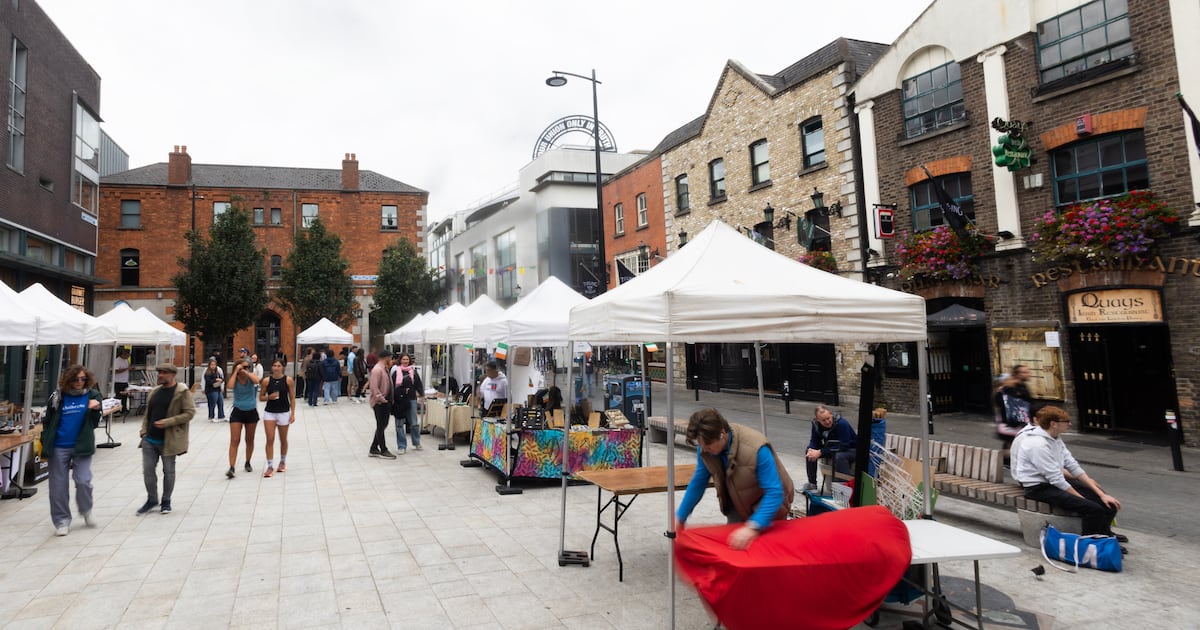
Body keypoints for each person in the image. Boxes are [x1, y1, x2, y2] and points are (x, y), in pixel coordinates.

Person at [675, 408, 794, 550]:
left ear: (722, 434)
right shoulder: (705, 449)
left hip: (769, 507)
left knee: (767, 554)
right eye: (701, 445)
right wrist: (680, 516)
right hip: (737, 504)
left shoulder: (756, 448)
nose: (704, 449)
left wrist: (754, 526)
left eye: (707, 445)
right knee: (735, 550)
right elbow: (698, 482)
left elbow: (775, 492)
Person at [1011, 405, 1125, 540]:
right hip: (1038, 488)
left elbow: (1073, 466)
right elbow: (1056, 479)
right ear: (1053, 424)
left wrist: (1100, 493)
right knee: (1093, 508)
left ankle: (1106, 536)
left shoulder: (1055, 438)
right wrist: (1082, 498)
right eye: (1066, 421)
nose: (1070, 424)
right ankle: (1091, 543)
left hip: (1053, 483)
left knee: (1108, 503)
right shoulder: (1036, 444)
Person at [43, 365, 103, 536]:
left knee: (83, 480)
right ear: (68, 379)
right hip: (59, 446)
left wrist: (96, 409)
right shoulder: (58, 397)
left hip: (81, 445)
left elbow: (95, 422)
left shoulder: (92, 395)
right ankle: (62, 520)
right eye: (76, 379)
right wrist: (45, 439)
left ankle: (86, 509)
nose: (79, 382)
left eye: (83, 379)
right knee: (57, 486)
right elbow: (47, 421)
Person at [138, 364, 196, 515]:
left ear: (172, 375)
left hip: (169, 439)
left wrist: (168, 422)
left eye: (163, 373)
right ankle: (152, 499)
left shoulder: (182, 392)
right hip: (150, 439)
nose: (160, 375)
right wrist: (143, 431)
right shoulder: (155, 392)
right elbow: (147, 414)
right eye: (159, 373)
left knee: (168, 471)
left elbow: (189, 413)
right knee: (148, 471)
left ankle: (166, 501)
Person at [802, 405, 858, 492]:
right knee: (809, 452)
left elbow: (843, 445)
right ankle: (812, 483)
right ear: (817, 420)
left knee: (839, 457)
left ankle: (845, 488)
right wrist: (811, 449)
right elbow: (814, 441)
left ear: (831, 414)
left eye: (828, 418)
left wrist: (821, 452)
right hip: (833, 446)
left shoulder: (842, 423)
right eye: (823, 420)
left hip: (851, 449)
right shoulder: (816, 425)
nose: (827, 421)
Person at [258, 359, 296, 477]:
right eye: (274, 365)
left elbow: (292, 398)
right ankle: (269, 465)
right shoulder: (266, 381)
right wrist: (270, 397)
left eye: (278, 366)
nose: (276, 368)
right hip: (270, 412)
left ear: (282, 367)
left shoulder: (288, 380)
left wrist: (293, 413)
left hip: (284, 412)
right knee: (270, 438)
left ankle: (283, 461)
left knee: (283, 439)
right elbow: (261, 397)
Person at [226, 358, 260, 479]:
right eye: (242, 367)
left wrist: (247, 373)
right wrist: (236, 372)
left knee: (249, 439)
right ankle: (232, 467)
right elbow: (229, 386)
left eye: (247, 367)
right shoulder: (234, 379)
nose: (244, 369)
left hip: (251, 410)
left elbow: (257, 381)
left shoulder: (251, 377)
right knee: (235, 440)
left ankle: (248, 461)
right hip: (238, 411)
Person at [995, 364, 1034, 460]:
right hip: (1011, 423)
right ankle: (1005, 460)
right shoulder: (1007, 389)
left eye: (1027, 372)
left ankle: (1008, 460)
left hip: (1019, 421)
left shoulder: (1022, 386)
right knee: (1012, 444)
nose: (1028, 374)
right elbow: (1006, 406)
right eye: (1024, 372)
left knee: (1014, 444)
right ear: (1017, 374)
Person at [390, 352, 426, 454]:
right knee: (399, 424)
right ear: (400, 360)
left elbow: (418, 384)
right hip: (399, 401)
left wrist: (422, 395)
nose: (405, 361)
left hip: (411, 399)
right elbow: (391, 387)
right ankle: (401, 446)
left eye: (407, 359)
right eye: (403, 359)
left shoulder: (413, 372)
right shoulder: (396, 372)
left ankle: (416, 442)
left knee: (414, 423)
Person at [368, 349, 397, 459]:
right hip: (380, 402)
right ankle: (383, 449)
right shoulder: (377, 370)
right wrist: (381, 399)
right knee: (381, 426)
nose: (391, 359)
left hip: (386, 401)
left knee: (382, 425)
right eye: (390, 357)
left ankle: (374, 448)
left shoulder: (384, 369)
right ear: (387, 357)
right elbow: (374, 387)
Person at [113, 347, 131, 414]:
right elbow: (116, 371)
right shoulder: (117, 360)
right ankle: (117, 410)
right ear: (124, 354)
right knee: (118, 396)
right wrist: (126, 369)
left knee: (125, 396)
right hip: (118, 381)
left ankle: (124, 409)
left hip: (125, 381)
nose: (128, 356)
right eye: (128, 355)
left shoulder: (126, 360)